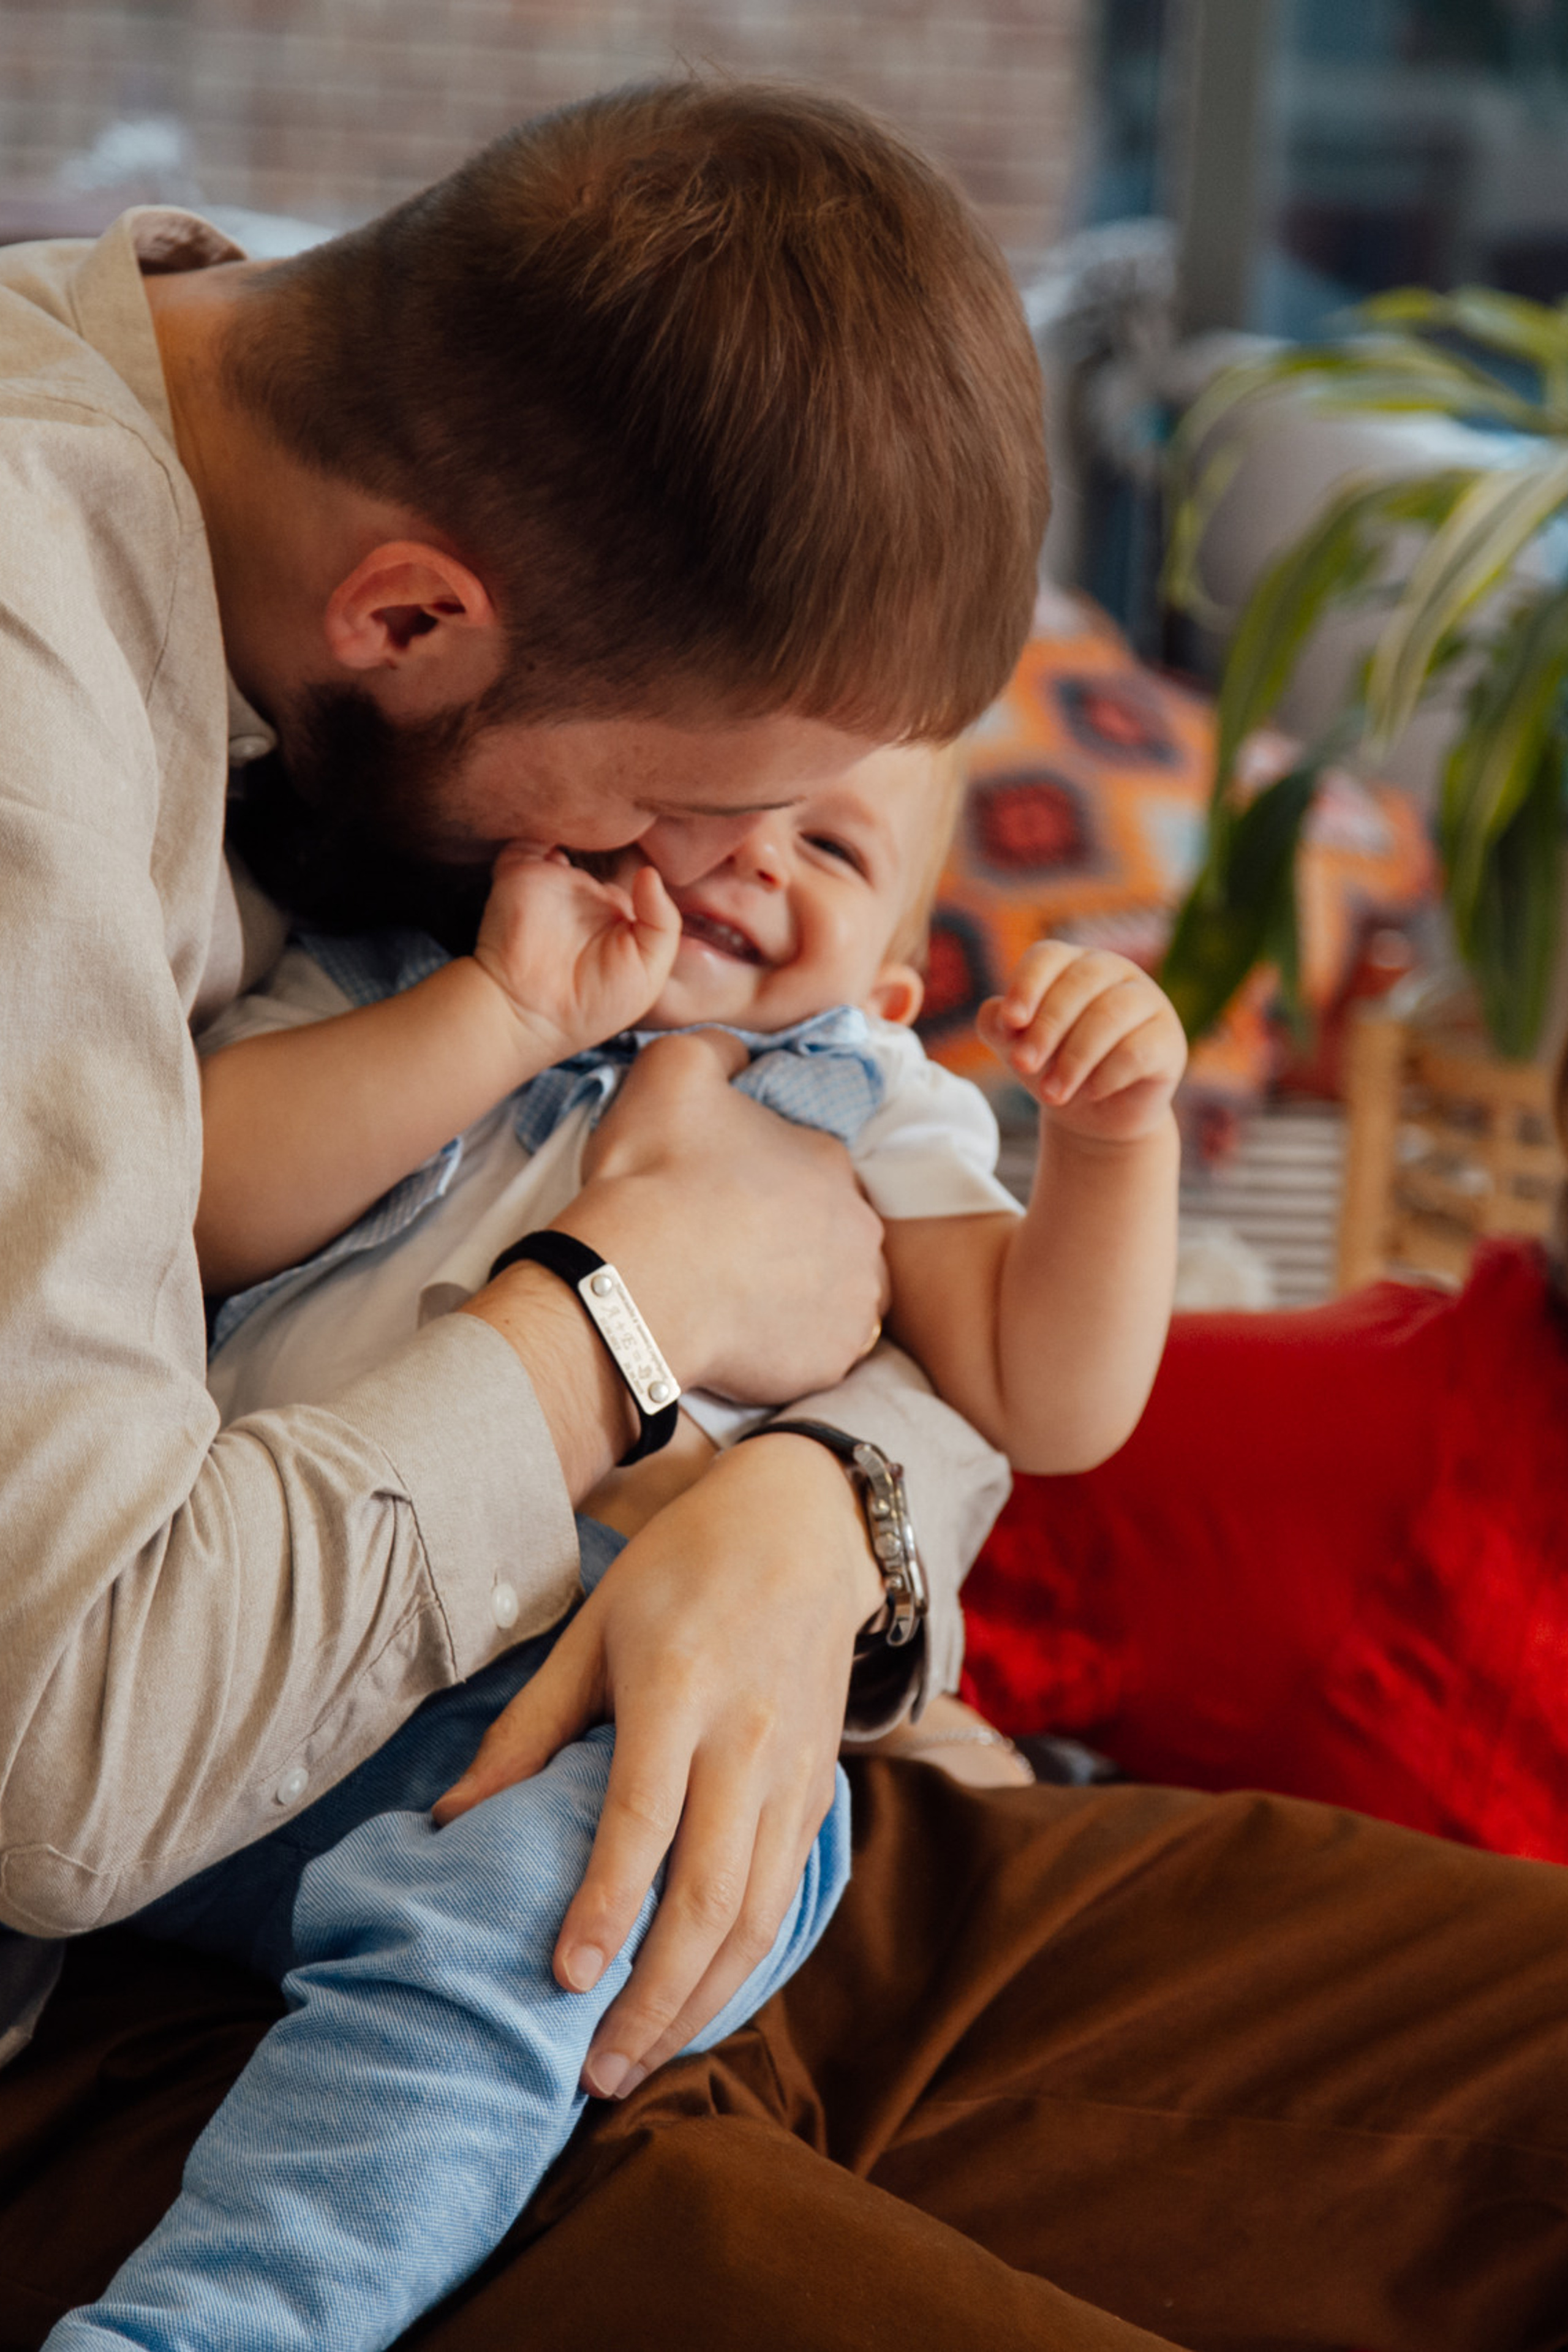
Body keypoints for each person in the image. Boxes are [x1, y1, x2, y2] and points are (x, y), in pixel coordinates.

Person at [10, 78, 1568, 2352]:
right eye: (691, 802)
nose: (717, 884)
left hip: (677, 1754)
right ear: (414, 616)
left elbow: (882, 1252)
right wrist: (618, 1324)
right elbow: (72, 1763)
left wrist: (824, 1512)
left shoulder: (377, 516)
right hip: (194, 1955)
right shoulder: (64, 694)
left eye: (828, 839)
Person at [51, 734, 1183, 2350]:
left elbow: (1047, 1396)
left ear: (899, 978)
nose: (761, 855)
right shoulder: (410, 986)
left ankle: (232, 2320)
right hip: (229, 1649)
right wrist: (504, 1017)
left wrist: (1116, 1144)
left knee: (569, 1894)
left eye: (838, 850)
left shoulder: (866, 1103)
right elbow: (200, 1191)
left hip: (561, 1714)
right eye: (729, 792)